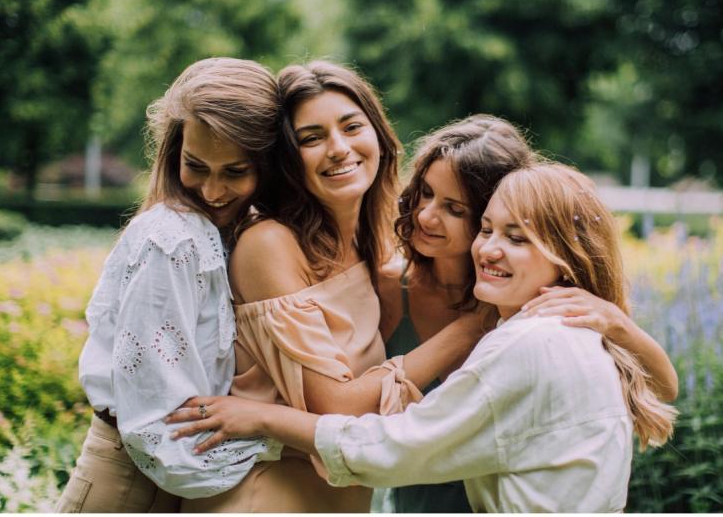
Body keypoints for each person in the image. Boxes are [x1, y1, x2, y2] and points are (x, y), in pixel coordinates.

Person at [169, 161, 679, 512]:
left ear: (565, 257)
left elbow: (392, 447)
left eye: (517, 238)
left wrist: (260, 416)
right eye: (488, 229)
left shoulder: (531, 343)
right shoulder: (575, 329)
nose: (489, 249)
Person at [178, 62, 491, 513]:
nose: (339, 149)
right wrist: (474, 325)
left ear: (378, 134)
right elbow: (336, 408)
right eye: (312, 138)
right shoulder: (270, 243)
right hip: (269, 493)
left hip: (341, 497)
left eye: (351, 127)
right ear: (288, 158)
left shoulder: (371, 246)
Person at [375, 115, 678, 512]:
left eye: (454, 208)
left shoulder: (537, 307)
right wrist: (471, 327)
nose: (425, 216)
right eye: (425, 193)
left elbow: (662, 388)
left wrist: (616, 321)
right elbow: (360, 421)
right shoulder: (388, 289)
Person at [55, 57, 283, 513]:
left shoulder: (240, 233)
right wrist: (287, 436)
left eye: (235, 171)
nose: (212, 191)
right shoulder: (171, 239)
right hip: (128, 478)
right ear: (173, 150)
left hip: (174, 475)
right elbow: (158, 423)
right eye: (195, 166)